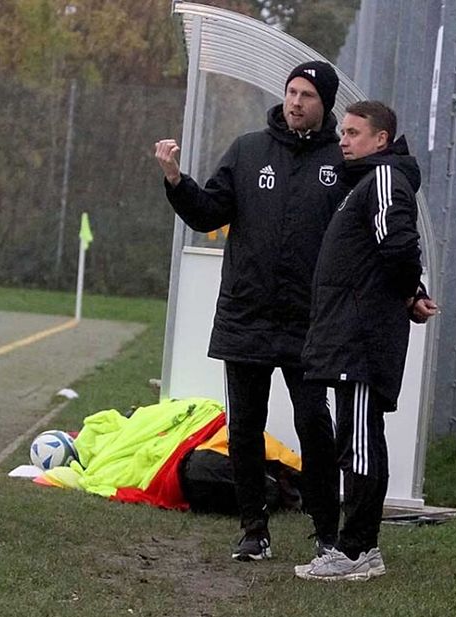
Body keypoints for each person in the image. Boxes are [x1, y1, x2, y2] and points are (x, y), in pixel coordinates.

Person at [154, 61, 346, 562]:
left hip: (309, 321)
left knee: (313, 424)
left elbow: (370, 229)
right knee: (245, 427)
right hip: (247, 316)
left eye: (307, 94)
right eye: (291, 92)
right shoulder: (248, 151)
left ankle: (327, 530)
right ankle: (253, 529)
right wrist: (176, 180)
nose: (296, 102)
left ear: (324, 104)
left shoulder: (341, 159)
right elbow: (207, 211)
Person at [295, 100, 438, 581]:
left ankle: (355, 549)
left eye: (354, 133)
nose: (344, 140)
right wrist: (410, 294)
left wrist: (409, 292)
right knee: (358, 438)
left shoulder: (381, 180)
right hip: (351, 337)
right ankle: (363, 548)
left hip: (358, 340)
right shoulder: (367, 182)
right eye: (343, 133)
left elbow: (398, 246)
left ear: (381, 139)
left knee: (356, 443)